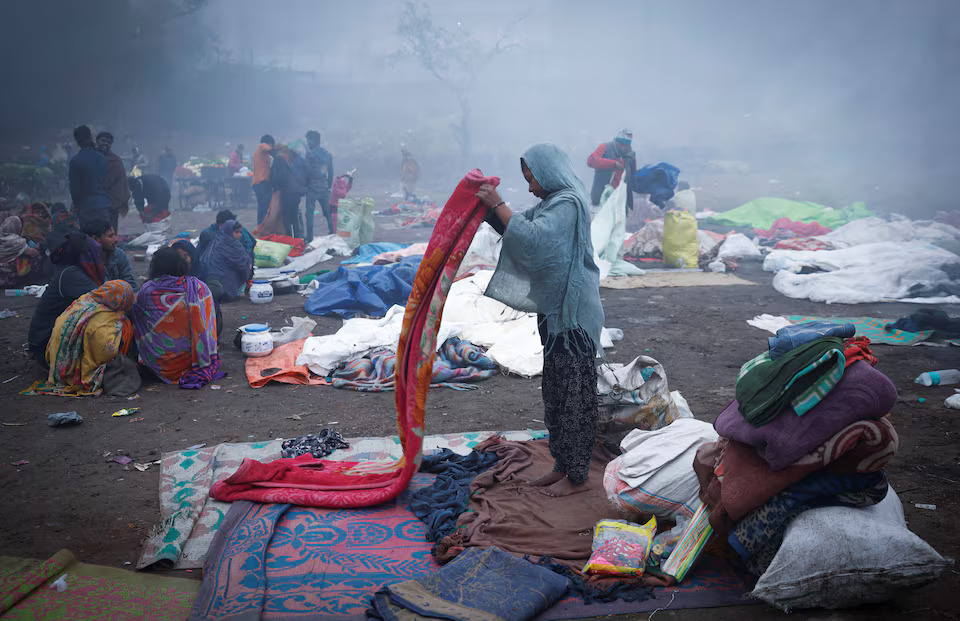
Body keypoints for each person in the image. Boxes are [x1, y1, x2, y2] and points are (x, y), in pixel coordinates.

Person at [476, 143, 604, 497]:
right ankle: (562, 466)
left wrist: (497, 204)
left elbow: (535, 240)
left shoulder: (569, 204)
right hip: (557, 312)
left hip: (574, 317)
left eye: (532, 179)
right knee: (557, 394)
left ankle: (579, 477)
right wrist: (488, 210)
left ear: (549, 173)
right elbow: (519, 231)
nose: (530, 187)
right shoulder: (551, 204)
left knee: (575, 396)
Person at [133, 247, 222, 387]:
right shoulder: (198, 287)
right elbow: (207, 325)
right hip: (193, 362)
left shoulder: (146, 291)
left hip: (158, 365)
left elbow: (138, 321)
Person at [31, 280, 134, 395]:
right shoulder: (105, 317)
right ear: (122, 301)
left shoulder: (83, 300)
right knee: (126, 327)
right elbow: (106, 351)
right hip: (79, 371)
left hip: (54, 362)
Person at [27, 231, 106, 362]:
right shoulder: (71, 274)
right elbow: (105, 300)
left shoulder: (73, 271)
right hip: (47, 347)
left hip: (54, 341)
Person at [171, 239, 224, 337]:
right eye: (178, 257)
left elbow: (217, 288)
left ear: (192, 255)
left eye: (185, 255)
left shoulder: (203, 269)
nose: (182, 260)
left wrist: (194, 294)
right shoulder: (170, 274)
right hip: (178, 317)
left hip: (200, 312)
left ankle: (209, 336)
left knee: (212, 301)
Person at [68, 125, 109, 229]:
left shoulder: (76, 161)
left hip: (86, 207)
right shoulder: (102, 158)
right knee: (104, 236)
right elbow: (107, 182)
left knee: (90, 239)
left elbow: (75, 190)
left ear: (77, 142)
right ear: (90, 137)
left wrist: (77, 205)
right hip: (103, 204)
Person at [200, 219, 252, 301]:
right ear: (228, 232)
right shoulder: (230, 246)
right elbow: (242, 265)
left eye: (240, 232)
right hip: (222, 283)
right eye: (236, 232)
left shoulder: (218, 240)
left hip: (214, 282)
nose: (239, 235)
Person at [587, 129, 636, 208]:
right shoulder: (604, 148)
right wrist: (613, 164)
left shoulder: (631, 155)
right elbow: (591, 161)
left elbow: (633, 175)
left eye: (626, 145)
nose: (623, 147)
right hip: (599, 199)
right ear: (617, 141)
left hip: (619, 202)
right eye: (621, 144)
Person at [84, 219, 136, 289]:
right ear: (95, 238)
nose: (116, 239)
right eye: (110, 236)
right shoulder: (86, 261)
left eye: (114, 235)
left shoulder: (119, 254)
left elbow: (130, 284)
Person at [95, 131, 132, 232]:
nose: (105, 144)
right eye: (103, 140)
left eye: (108, 142)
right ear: (97, 141)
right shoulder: (91, 157)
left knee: (110, 228)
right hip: (94, 200)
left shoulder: (115, 160)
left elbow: (109, 181)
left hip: (111, 202)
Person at [271, 145, 306, 238]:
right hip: (296, 192)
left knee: (286, 218)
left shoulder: (279, 159)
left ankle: (289, 238)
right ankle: (298, 239)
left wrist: (276, 187)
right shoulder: (291, 158)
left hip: (287, 192)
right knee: (294, 217)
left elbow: (279, 177)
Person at [304, 130, 334, 241]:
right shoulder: (326, 154)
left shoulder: (310, 155)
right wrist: (328, 185)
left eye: (309, 140)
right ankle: (332, 233)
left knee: (310, 214)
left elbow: (307, 171)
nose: (307, 142)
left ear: (313, 141)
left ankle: (310, 238)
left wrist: (305, 185)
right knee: (328, 212)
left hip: (312, 187)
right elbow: (331, 172)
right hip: (324, 186)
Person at [0, 216, 44, 288]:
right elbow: (32, 252)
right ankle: (29, 281)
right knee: (35, 259)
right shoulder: (16, 241)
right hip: (12, 277)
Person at [252, 135, 275, 224]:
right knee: (264, 207)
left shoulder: (263, 154)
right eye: (271, 144)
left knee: (262, 207)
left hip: (260, 183)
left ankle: (261, 227)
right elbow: (269, 149)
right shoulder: (262, 146)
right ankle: (262, 228)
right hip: (261, 182)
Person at [328, 169, 356, 233]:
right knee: (337, 222)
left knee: (335, 222)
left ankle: (334, 232)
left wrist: (339, 178)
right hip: (336, 207)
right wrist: (350, 179)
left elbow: (335, 185)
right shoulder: (344, 190)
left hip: (333, 206)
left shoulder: (335, 189)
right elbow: (349, 186)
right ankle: (335, 233)